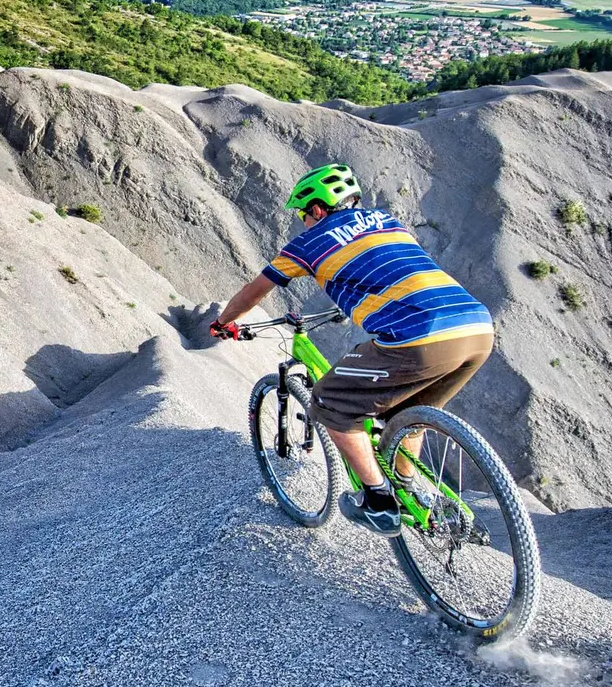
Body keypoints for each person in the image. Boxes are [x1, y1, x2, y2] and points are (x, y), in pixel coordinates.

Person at [210, 163, 494, 537]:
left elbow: (255, 290)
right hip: (476, 327)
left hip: (418, 337)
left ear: (317, 209)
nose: (303, 222)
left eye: (303, 214)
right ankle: (407, 493)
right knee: (410, 412)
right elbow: (380, 268)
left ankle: (378, 501)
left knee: (328, 402)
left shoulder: (307, 244)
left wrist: (223, 322)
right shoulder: (387, 220)